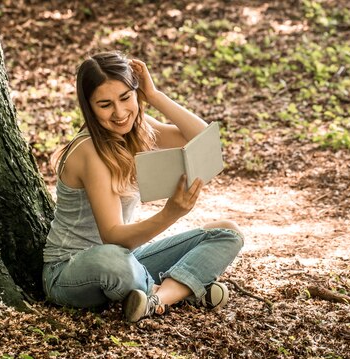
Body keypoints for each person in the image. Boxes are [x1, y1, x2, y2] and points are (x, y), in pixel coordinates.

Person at [42, 51, 244, 322]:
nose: (120, 113)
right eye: (105, 104)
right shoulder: (89, 150)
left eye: (126, 97)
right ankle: (184, 289)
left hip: (129, 257)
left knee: (227, 232)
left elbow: (203, 140)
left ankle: (157, 299)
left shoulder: (137, 129)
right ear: (89, 107)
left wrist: (156, 95)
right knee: (114, 261)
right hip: (69, 271)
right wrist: (170, 214)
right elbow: (113, 237)